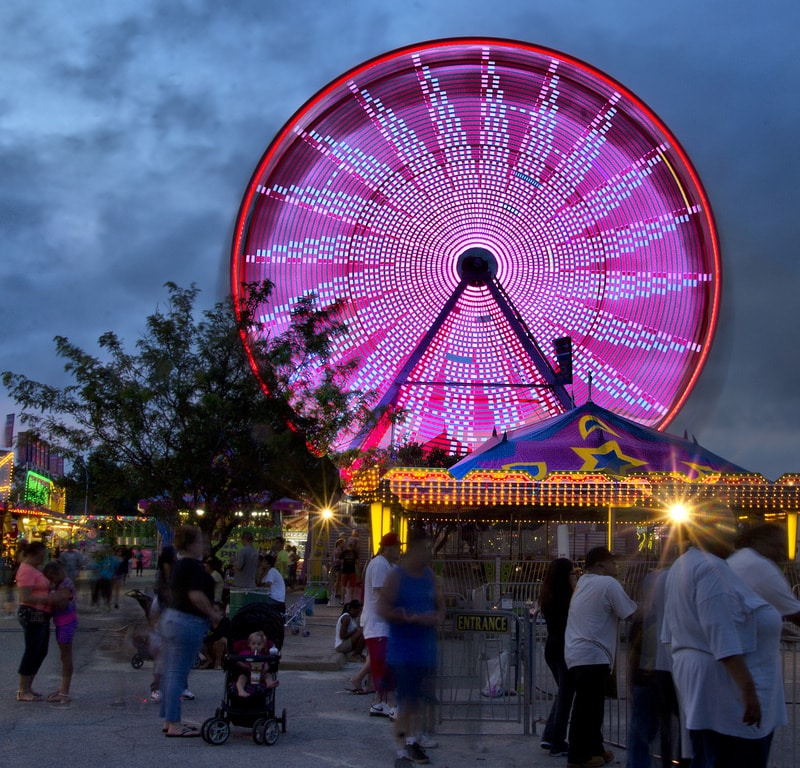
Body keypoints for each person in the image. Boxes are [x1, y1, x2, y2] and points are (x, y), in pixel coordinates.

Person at [662, 502, 785, 768]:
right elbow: (721, 633)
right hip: (722, 690)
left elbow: (669, 634)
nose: (732, 533)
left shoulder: (684, 565)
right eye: (726, 526)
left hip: (701, 683)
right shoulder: (711, 568)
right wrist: (748, 691)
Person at [565, 546, 636, 768]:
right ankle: (578, 757)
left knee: (593, 706)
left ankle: (595, 748)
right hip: (592, 654)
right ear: (599, 564)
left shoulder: (584, 582)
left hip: (579, 652)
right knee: (587, 708)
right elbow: (631, 613)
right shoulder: (608, 584)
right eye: (612, 562)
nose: (616, 566)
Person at [378, 528, 444, 767]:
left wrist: (434, 617)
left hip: (425, 650)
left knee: (418, 702)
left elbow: (441, 606)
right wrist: (403, 616)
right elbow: (382, 607)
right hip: (403, 650)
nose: (428, 553)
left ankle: (413, 741)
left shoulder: (429, 575)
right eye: (425, 548)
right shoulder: (397, 576)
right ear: (413, 548)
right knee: (407, 702)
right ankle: (401, 749)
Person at [159, 525, 216, 737]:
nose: (203, 545)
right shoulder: (191, 565)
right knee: (177, 674)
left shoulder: (179, 564)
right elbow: (196, 596)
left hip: (173, 619)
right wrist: (213, 615)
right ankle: (174, 723)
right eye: (200, 541)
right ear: (191, 544)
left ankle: (169, 719)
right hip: (187, 622)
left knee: (171, 672)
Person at [626, 567, 683, 768]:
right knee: (648, 731)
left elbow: (632, 654)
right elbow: (633, 654)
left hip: (652, 679)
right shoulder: (650, 619)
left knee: (652, 731)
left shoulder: (646, 618)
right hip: (652, 678)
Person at [15, 541, 69, 701]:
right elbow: (25, 597)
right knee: (32, 650)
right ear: (33, 555)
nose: (43, 559)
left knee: (40, 651)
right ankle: (22, 689)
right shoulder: (26, 571)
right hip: (32, 613)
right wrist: (49, 598)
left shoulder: (33, 569)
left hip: (42, 614)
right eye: (41, 556)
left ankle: (28, 686)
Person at [537, 557, 577, 757]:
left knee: (564, 692)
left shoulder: (548, 594)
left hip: (552, 646)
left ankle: (551, 735)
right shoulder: (568, 596)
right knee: (566, 695)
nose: (575, 576)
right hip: (564, 647)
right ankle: (557, 740)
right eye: (572, 573)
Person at [361, 531, 402, 718]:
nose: (399, 550)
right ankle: (392, 703)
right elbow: (382, 591)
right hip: (378, 624)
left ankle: (378, 702)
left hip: (382, 624)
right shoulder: (379, 565)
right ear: (388, 547)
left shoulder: (387, 565)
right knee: (385, 665)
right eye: (397, 547)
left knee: (381, 663)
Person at [728, 522, 800, 625]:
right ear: (756, 542)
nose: (782, 553)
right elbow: (795, 613)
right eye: (776, 546)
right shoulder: (759, 565)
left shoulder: (741, 556)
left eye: (784, 548)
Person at [42, 560, 78, 704]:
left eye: (51, 578)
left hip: (67, 623)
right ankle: (63, 689)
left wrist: (51, 595)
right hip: (62, 622)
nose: (51, 581)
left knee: (66, 656)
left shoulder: (66, 585)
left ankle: (64, 692)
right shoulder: (61, 585)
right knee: (64, 657)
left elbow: (62, 604)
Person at [232, 629, 279, 698]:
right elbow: (238, 661)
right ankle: (241, 691)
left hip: (260, 674)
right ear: (249, 644)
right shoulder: (245, 653)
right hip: (247, 673)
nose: (256, 646)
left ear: (263, 645)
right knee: (241, 678)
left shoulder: (263, 656)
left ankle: (269, 683)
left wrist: (264, 671)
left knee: (268, 675)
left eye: (259, 644)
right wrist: (245, 666)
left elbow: (266, 665)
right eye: (253, 644)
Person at [199, 601, 231, 669]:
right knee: (198, 641)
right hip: (212, 647)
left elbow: (219, 636)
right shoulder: (208, 623)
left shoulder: (226, 622)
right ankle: (210, 660)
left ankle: (218, 662)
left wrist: (210, 637)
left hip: (223, 650)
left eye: (215, 611)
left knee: (221, 640)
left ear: (221, 612)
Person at [340, 539, 360, 605]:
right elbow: (357, 562)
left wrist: (346, 561)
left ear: (347, 545)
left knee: (343, 585)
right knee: (352, 586)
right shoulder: (354, 552)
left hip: (344, 571)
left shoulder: (344, 552)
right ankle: (351, 599)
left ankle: (342, 600)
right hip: (352, 571)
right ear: (353, 546)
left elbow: (341, 561)